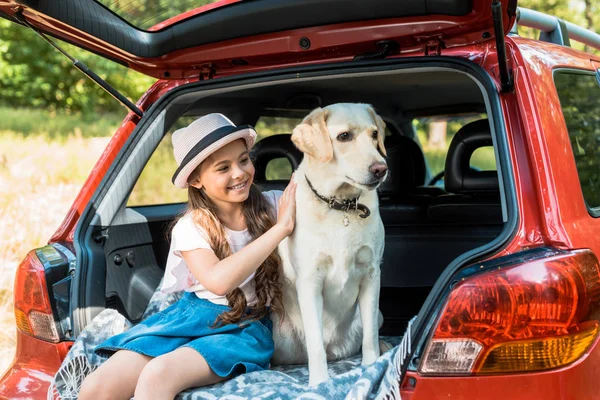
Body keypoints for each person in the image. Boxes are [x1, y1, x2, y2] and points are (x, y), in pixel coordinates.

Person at [79, 113, 297, 400]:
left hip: (245, 326)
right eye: (223, 168)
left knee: (158, 375)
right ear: (196, 179)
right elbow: (219, 282)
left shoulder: (273, 204)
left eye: (244, 160)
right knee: (95, 389)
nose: (239, 173)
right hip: (192, 317)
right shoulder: (191, 226)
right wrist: (280, 230)